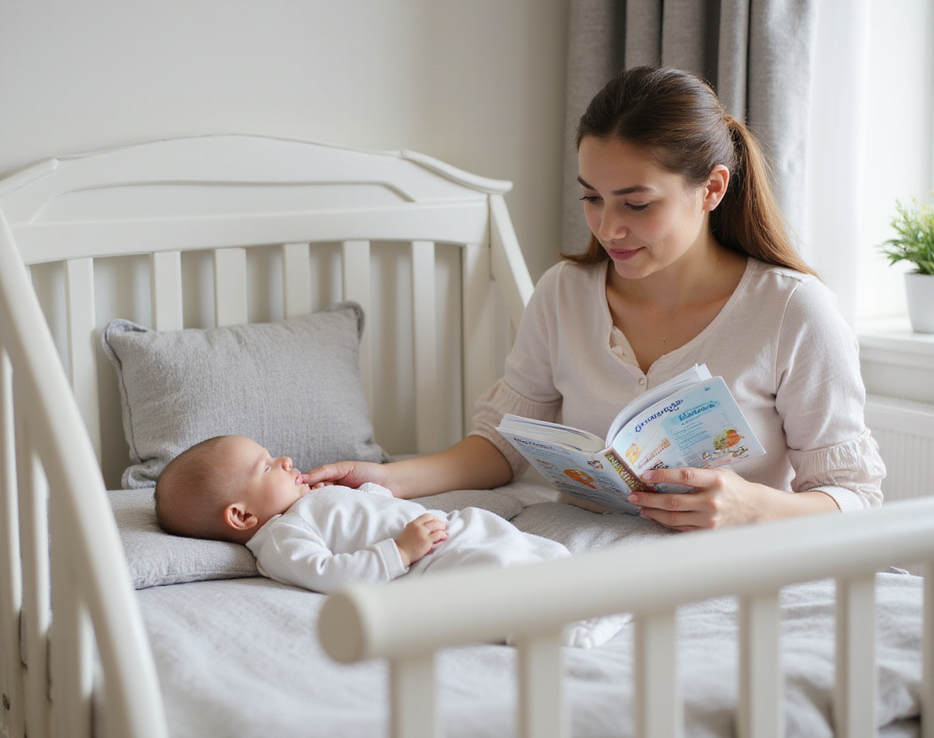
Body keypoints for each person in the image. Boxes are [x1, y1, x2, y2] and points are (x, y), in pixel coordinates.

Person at [305, 65, 886, 531]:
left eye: (636, 204)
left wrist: (750, 507)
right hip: (586, 555)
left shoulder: (793, 311)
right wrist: (389, 478)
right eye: (591, 197)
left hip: (731, 567)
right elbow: (502, 446)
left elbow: (856, 497)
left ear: (711, 189)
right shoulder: (563, 294)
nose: (608, 228)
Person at [154, 435, 627, 648]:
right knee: (494, 584)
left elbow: (375, 509)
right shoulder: (280, 540)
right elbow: (329, 575)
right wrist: (398, 551)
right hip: (427, 564)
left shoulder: (305, 504)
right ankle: (572, 631)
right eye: (264, 466)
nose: (283, 459)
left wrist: (366, 492)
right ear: (241, 516)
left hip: (452, 528)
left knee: (532, 552)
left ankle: (589, 591)